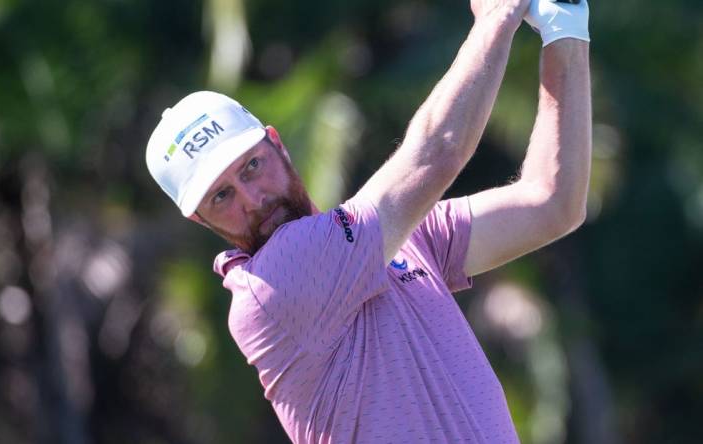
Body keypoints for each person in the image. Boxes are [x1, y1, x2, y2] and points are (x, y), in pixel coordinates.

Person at [145, 0, 591, 441]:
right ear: (201, 220)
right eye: (222, 196)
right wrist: (498, 15)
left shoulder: (399, 238)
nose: (253, 200)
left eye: (252, 167)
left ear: (277, 144)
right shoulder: (269, 288)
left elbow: (552, 202)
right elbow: (437, 153)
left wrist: (564, 30)